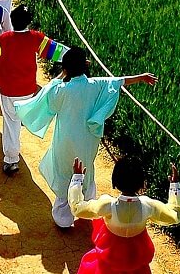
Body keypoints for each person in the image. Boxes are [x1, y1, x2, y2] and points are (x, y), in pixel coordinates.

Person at [17, 49, 158, 228]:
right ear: (86, 65)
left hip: (64, 142)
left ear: (66, 68)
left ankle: (63, 219)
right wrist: (141, 77)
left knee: (64, 174)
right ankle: (86, 209)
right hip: (87, 141)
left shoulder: (60, 90)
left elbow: (50, 91)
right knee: (86, 172)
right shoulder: (95, 85)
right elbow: (118, 81)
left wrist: (63, 73)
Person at [59, 154, 180, 274]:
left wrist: (77, 179)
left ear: (115, 180)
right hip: (135, 271)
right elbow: (174, 215)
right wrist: (174, 186)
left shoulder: (108, 205)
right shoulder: (147, 206)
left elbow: (78, 208)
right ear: (142, 183)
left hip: (106, 271)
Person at [0, 5, 69, 174]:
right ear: (29, 22)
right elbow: (56, 50)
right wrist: (76, 58)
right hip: (28, 89)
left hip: (8, 90)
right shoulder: (36, 38)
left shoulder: (4, 39)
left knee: (10, 122)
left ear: (11, 21)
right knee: (19, 116)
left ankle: (11, 160)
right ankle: (23, 117)